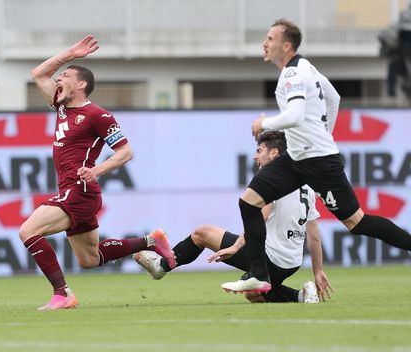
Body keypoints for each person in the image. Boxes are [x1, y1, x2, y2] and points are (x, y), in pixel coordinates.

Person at [228, 19, 411, 294]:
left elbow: (295, 115)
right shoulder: (306, 67)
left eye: (270, 39)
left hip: (318, 161)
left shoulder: (291, 75)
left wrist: (263, 124)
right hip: (297, 158)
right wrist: (324, 133)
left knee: (356, 223)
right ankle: (258, 274)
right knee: (249, 202)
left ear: (286, 45)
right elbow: (334, 97)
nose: (264, 44)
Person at [20, 35, 175, 310]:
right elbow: (38, 73)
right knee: (90, 259)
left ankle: (63, 293)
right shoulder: (61, 106)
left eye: (64, 76)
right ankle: (152, 240)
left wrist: (97, 170)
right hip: (74, 191)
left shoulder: (98, 115)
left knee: (28, 231)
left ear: (81, 84)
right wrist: (70, 54)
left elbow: (125, 152)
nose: (58, 79)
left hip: (79, 190)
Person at [134, 131, 333, 303]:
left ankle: (160, 267)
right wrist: (318, 271)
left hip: (270, 259)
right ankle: (302, 295)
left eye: (259, 151)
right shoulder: (306, 186)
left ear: (274, 153)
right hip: (291, 264)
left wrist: (236, 246)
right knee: (253, 294)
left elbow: (258, 220)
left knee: (202, 233)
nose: (255, 156)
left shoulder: (273, 180)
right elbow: (313, 235)